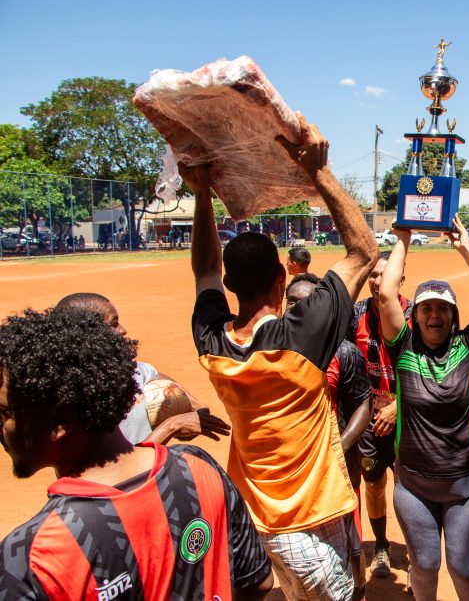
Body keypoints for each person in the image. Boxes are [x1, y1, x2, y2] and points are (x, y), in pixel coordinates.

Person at [185, 114, 378, 601]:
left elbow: (204, 267)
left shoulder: (212, 344)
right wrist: (318, 171)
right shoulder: (302, 337)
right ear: (281, 278)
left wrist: (203, 191)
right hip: (311, 524)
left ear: (231, 287)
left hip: (253, 526)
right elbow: (363, 251)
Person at [0, 307, 273, 599]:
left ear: (61, 422)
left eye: (5, 413)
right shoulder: (199, 467)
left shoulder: (32, 553)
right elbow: (258, 581)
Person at [377, 217, 469, 601]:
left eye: (443, 309)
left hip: (466, 486)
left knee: (464, 569)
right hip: (414, 485)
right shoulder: (403, 347)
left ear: (454, 316)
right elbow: (385, 296)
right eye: (427, 309)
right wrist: (402, 238)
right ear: (414, 315)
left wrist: (464, 247)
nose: (435, 316)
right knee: (426, 565)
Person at [287, 272, 373, 600]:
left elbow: (362, 405)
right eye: (291, 301)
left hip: (336, 463)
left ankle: (357, 590)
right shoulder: (270, 346)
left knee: (347, 536)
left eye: (305, 301)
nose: (296, 307)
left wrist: (337, 447)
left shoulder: (344, 352)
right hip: (291, 466)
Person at [54, 292, 230, 445]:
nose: (123, 330)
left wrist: (193, 407)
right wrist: (172, 426)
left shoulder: (129, 371)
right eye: (113, 324)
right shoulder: (77, 396)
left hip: (148, 479)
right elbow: (121, 464)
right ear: (85, 334)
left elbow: (155, 377)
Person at [348, 250, 414, 578]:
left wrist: (399, 405)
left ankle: (417, 549)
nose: (378, 281)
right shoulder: (355, 314)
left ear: (401, 278)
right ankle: (382, 545)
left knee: (410, 488)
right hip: (371, 422)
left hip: (411, 421)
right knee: (373, 485)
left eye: (386, 274)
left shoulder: (418, 314)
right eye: (373, 275)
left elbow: (431, 371)